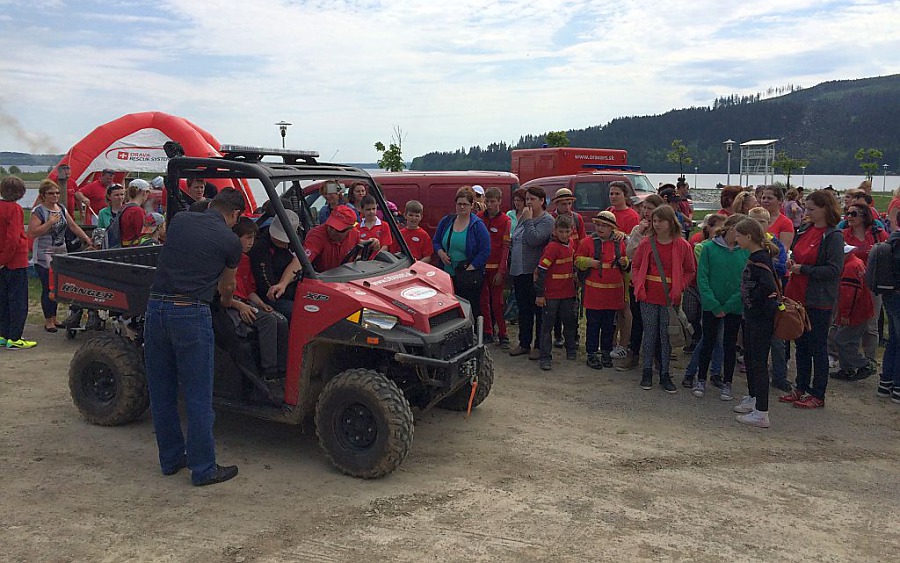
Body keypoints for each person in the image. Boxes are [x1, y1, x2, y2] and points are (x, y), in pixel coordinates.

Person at [143, 188, 245, 486]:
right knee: (198, 395)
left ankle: (171, 459)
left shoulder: (180, 220)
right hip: (190, 312)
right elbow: (227, 288)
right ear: (235, 214)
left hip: (155, 308)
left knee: (162, 391)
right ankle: (204, 469)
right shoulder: (231, 241)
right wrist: (228, 301)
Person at [779, 190, 844, 409]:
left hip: (818, 299)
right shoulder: (806, 229)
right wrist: (792, 263)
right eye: (806, 208)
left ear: (826, 209)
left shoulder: (833, 236)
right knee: (801, 344)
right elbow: (796, 253)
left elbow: (834, 270)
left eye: (812, 209)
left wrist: (804, 269)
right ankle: (801, 386)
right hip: (797, 295)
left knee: (817, 346)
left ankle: (818, 393)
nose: (807, 212)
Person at [632, 205, 696, 392]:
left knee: (667, 335)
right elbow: (636, 265)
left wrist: (680, 287)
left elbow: (690, 270)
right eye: (654, 221)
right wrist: (638, 284)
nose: (656, 224)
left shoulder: (682, 245)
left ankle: (665, 372)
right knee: (650, 334)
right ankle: (647, 371)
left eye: (660, 221)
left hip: (670, 298)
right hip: (648, 295)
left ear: (670, 222)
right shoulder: (647, 243)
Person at [229, 217, 289, 393]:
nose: (251, 243)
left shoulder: (245, 260)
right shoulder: (227, 259)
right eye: (248, 238)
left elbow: (249, 290)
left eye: (253, 238)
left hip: (245, 302)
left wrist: (261, 303)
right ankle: (269, 373)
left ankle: (283, 371)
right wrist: (240, 306)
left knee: (281, 320)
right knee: (268, 321)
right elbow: (222, 293)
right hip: (231, 304)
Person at [692, 214, 749, 401]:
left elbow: (745, 281)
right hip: (712, 304)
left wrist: (731, 303)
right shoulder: (709, 248)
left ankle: (727, 382)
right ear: (731, 228)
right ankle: (701, 378)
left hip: (734, 306)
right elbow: (702, 277)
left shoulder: (745, 251)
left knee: (729, 344)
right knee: (708, 341)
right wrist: (713, 303)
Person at [27, 179, 93, 332]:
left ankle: (54, 317)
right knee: (47, 287)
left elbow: (72, 226)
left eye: (57, 193)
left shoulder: (61, 208)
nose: (55, 196)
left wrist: (87, 238)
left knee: (57, 286)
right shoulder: (39, 211)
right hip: (44, 254)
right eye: (51, 193)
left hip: (60, 252)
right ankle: (48, 320)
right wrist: (49, 223)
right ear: (43, 195)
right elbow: (32, 233)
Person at [733, 217, 780, 428]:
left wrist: (753, 299)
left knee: (759, 362)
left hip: (760, 318)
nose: (736, 239)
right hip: (752, 317)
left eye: (738, 235)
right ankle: (754, 398)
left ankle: (762, 412)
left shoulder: (760, 259)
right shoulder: (756, 256)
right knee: (751, 358)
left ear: (749, 236)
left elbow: (769, 287)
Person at [576, 211, 628, 369]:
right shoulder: (587, 242)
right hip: (594, 295)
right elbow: (577, 260)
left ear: (612, 228)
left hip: (612, 295)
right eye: (598, 225)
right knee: (593, 325)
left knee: (608, 326)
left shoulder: (619, 243)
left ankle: (606, 352)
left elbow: (625, 262)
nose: (600, 228)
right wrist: (588, 262)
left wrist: (624, 262)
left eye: (604, 226)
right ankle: (591, 354)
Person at [747, 207, 791, 392]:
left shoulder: (775, 243)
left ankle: (780, 376)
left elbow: (781, 268)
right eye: (753, 221)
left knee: (778, 340)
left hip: (772, 297)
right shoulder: (745, 243)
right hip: (752, 298)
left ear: (769, 223)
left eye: (762, 222)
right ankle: (757, 377)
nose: (758, 225)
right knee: (754, 342)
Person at [507, 186, 554, 359]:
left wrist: (528, 220)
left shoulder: (546, 220)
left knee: (538, 311)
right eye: (527, 199)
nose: (528, 202)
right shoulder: (524, 217)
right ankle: (524, 343)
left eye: (532, 199)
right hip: (519, 270)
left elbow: (534, 240)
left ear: (542, 201)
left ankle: (539, 346)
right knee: (524, 309)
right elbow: (517, 238)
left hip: (534, 272)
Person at [620, 193, 665, 370]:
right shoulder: (637, 230)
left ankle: (657, 357)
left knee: (657, 323)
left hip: (656, 283)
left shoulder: (663, 232)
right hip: (637, 282)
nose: (646, 212)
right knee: (637, 320)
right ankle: (633, 354)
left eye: (650, 208)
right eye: (644, 208)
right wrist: (639, 233)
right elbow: (630, 253)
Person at [434, 187, 491, 324]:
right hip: (447, 276)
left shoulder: (477, 225)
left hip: (468, 278)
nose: (462, 207)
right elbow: (436, 241)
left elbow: (485, 250)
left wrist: (470, 268)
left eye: (465, 204)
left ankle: (476, 332)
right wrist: (441, 253)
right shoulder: (447, 221)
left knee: (471, 309)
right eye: (459, 204)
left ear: (472, 205)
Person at [842, 202, 888, 364]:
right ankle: (840, 357)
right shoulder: (843, 235)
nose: (849, 217)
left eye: (853, 214)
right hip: (849, 282)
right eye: (847, 213)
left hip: (873, 283)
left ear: (864, 216)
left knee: (871, 323)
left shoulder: (878, 234)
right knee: (843, 320)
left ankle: (870, 359)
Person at [535, 215, 577, 371]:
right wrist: (540, 294)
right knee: (547, 327)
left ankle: (571, 350)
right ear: (555, 231)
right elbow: (542, 270)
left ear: (572, 231)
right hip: (551, 295)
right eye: (561, 231)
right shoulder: (552, 248)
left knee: (569, 323)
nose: (564, 235)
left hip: (568, 293)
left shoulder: (571, 244)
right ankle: (545, 358)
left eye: (567, 231)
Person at [605, 181, 640, 359]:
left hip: (625, 266)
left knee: (624, 307)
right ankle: (609, 341)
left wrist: (624, 236)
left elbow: (634, 241)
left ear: (625, 196)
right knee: (611, 306)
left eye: (617, 193)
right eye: (611, 193)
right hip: (609, 264)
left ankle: (624, 343)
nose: (613, 196)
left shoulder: (632, 215)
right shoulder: (609, 211)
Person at [830, 244, 876, 380]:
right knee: (851, 341)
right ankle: (847, 369)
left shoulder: (850, 267)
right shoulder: (857, 262)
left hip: (855, 312)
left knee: (841, 340)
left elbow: (849, 294)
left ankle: (865, 364)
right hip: (862, 309)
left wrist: (845, 314)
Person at [0, 176, 36, 349]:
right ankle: (15, 337)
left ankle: (3, 334)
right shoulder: (15, 209)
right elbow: (13, 238)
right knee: (18, 300)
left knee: (3, 299)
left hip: (2, 259)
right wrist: (4, 259)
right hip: (14, 260)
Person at [250, 209, 303, 319]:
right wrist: (281, 287)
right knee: (299, 312)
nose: (283, 243)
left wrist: (284, 283)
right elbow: (267, 288)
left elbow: (300, 260)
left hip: (294, 288)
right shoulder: (260, 247)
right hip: (272, 295)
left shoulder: (296, 242)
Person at [550, 187, 585, 347]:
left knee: (573, 304)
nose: (567, 207)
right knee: (556, 304)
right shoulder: (551, 219)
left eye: (569, 203)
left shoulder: (577, 219)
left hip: (573, 266)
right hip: (556, 268)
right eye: (563, 203)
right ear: (556, 204)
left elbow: (582, 242)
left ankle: (573, 335)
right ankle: (558, 335)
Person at [479, 187, 511, 347]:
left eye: (493, 201)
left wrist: (501, 271)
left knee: (497, 303)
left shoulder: (505, 221)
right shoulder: (479, 218)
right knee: (483, 302)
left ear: (499, 201)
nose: (490, 205)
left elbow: (505, 248)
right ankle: (488, 332)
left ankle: (503, 334)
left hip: (496, 268)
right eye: (487, 201)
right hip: (480, 267)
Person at [300, 205, 370, 276]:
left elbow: (359, 245)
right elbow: (300, 262)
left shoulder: (354, 234)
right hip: (322, 279)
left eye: (338, 230)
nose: (332, 231)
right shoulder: (317, 236)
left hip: (347, 277)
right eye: (331, 226)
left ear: (350, 229)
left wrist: (371, 243)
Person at [875, 228, 900, 403]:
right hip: (897, 295)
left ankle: (886, 382)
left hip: (889, 294)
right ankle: (898, 386)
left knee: (893, 339)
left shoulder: (892, 240)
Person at [760, 186, 795, 250]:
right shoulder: (755, 218)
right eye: (763, 198)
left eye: (769, 198)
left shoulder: (786, 223)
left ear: (780, 200)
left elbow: (784, 249)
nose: (765, 201)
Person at [119, 179, 152, 246]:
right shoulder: (137, 211)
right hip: (133, 248)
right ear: (144, 192)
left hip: (123, 246)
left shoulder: (124, 207)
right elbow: (143, 234)